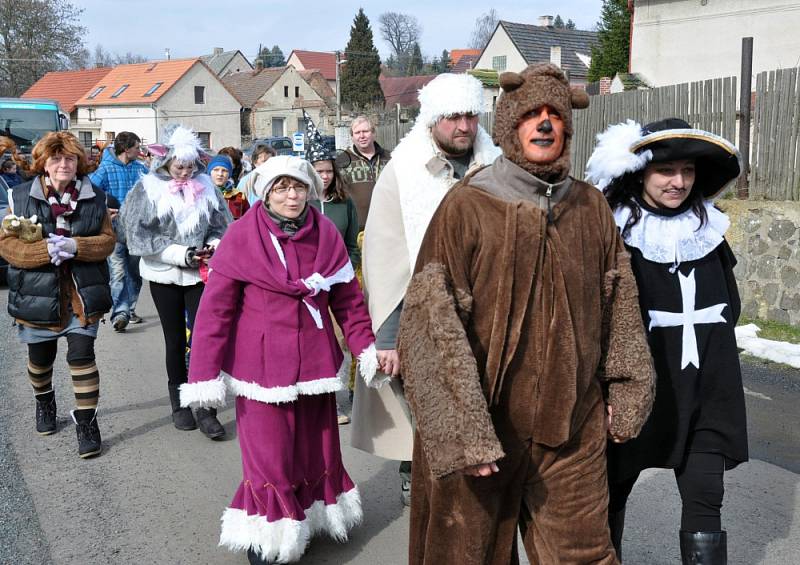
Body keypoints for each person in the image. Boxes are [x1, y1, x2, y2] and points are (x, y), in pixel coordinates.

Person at [396, 63, 656, 564]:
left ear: (567, 127)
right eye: (531, 114)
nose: (543, 124)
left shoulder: (589, 207)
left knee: (584, 555)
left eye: (554, 115)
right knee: (465, 554)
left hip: (570, 430)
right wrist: (464, 432)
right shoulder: (469, 204)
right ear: (510, 125)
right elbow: (430, 319)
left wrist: (626, 389)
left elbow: (619, 302)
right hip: (486, 428)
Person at [179, 155, 380, 564]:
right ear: (265, 193)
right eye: (282, 188)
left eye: (299, 187)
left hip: (315, 364)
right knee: (268, 452)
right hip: (260, 367)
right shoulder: (241, 236)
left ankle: (309, 515)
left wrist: (366, 349)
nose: (292, 195)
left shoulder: (325, 233)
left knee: (314, 447)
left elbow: (349, 302)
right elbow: (214, 312)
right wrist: (203, 373)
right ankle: (270, 533)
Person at [585, 118, 748, 564]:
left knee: (705, 498)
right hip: (636, 392)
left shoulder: (709, 233)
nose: (679, 182)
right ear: (641, 172)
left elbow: (728, 309)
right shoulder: (614, 233)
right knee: (609, 497)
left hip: (706, 391)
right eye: (667, 171)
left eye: (688, 171)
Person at [354, 73, 502, 507]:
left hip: (487, 316)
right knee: (429, 412)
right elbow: (385, 261)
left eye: (470, 116)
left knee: (481, 407)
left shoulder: (497, 169)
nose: (464, 127)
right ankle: (423, 484)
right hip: (423, 319)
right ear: (432, 119)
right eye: (452, 117)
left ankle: (474, 493)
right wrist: (387, 338)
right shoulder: (403, 174)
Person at [0, 132, 115, 458]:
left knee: (82, 356)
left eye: (69, 158)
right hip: (37, 296)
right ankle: (45, 400)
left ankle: (87, 424)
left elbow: (108, 241)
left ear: (78, 162)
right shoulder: (19, 197)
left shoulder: (96, 198)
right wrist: (44, 251)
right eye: (56, 159)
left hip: (81, 295)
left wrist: (76, 246)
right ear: (43, 163)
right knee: (41, 361)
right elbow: (6, 245)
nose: (63, 164)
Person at [119, 125, 232, 439]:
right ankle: (180, 402)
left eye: (190, 166)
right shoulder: (147, 189)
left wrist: (213, 247)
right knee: (174, 341)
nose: (185, 172)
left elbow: (224, 225)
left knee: (203, 341)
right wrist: (180, 254)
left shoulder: (207, 186)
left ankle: (206, 406)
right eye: (179, 166)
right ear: (165, 161)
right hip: (165, 274)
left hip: (201, 275)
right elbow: (136, 236)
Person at [305, 116, 361, 425]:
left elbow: (353, 243)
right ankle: (312, 402)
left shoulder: (344, 203)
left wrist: (346, 272)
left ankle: (335, 400)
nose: (324, 177)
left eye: (328, 171)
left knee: (336, 344)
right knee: (312, 344)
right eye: (318, 171)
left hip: (337, 285)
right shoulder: (300, 203)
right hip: (306, 288)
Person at [89, 131, 148, 331]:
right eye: (137, 147)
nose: (140, 151)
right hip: (113, 230)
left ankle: (130, 309)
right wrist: (104, 209)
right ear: (126, 149)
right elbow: (90, 194)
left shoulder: (141, 170)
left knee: (135, 273)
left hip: (136, 231)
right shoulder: (104, 169)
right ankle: (120, 312)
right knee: (118, 272)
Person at [335, 115, 391, 229]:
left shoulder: (390, 158)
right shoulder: (342, 161)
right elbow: (337, 195)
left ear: (374, 134)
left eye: (365, 131)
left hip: (388, 224)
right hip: (357, 228)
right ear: (352, 137)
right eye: (357, 132)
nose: (362, 136)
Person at [208, 154, 249, 220]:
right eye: (216, 170)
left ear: (229, 174)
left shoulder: (239, 196)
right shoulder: (202, 194)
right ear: (210, 172)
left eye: (224, 170)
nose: (220, 174)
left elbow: (248, 220)